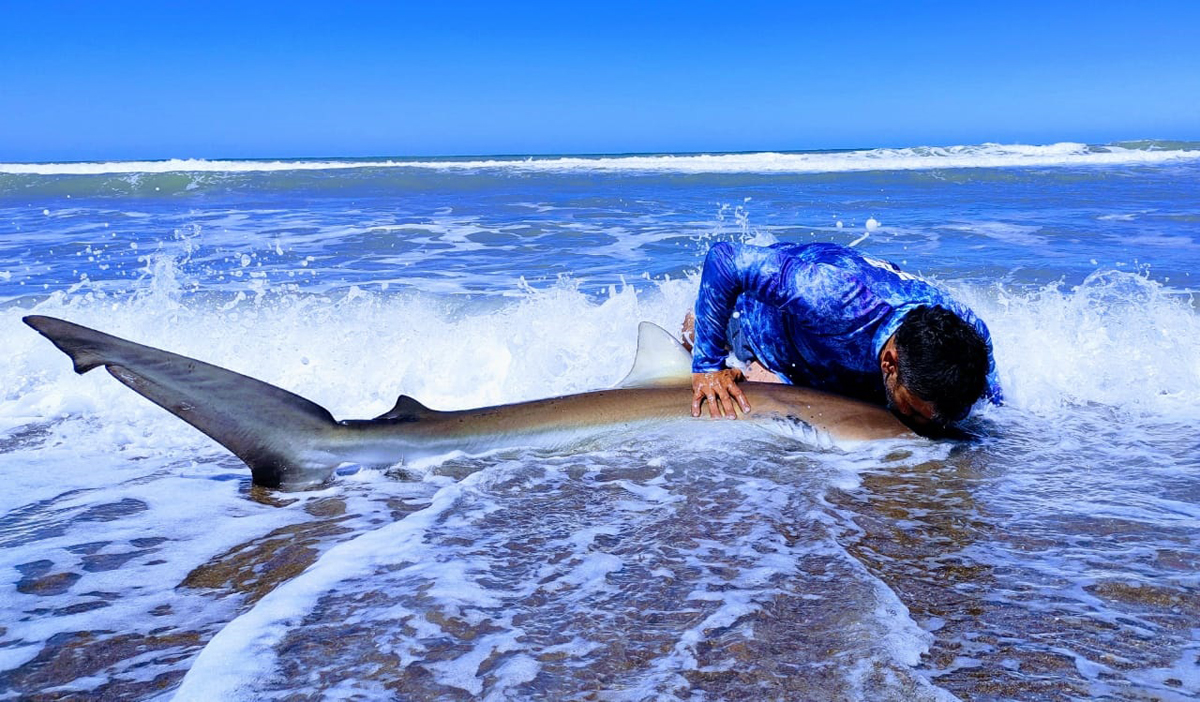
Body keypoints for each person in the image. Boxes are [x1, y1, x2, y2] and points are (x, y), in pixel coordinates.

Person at [684, 241, 1001, 433]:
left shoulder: (969, 337)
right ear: (890, 362)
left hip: (831, 335)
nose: (926, 429)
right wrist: (707, 367)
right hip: (760, 320)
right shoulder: (836, 299)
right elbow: (725, 261)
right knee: (695, 338)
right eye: (917, 414)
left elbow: (986, 395)